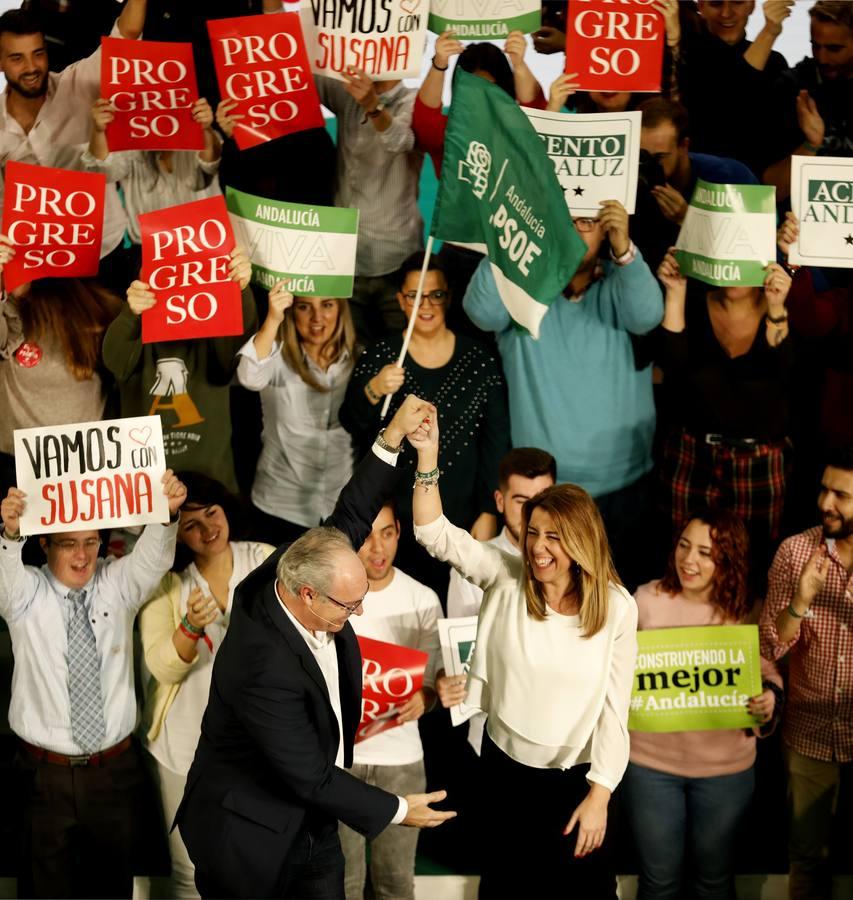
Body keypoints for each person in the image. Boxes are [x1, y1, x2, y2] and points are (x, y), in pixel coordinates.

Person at [175, 395, 456, 900]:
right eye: (348, 606)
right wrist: (398, 809)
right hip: (248, 831)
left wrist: (391, 437)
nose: (359, 615)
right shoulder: (262, 664)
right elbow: (312, 777)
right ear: (308, 594)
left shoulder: (300, 562)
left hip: (314, 820)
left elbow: (352, 510)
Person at [412, 412, 638, 898]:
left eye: (554, 536)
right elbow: (433, 532)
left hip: (577, 781)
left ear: (582, 541)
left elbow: (616, 714)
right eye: (534, 532)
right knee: (507, 889)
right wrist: (428, 457)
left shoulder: (617, 608)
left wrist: (600, 795)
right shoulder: (506, 574)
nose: (537, 547)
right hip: (504, 772)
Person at [0, 471, 187, 899]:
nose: (83, 555)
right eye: (68, 542)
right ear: (43, 545)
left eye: (91, 541)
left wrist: (166, 514)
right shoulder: (25, 592)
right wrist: (10, 534)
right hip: (41, 777)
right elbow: (4, 577)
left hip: (114, 774)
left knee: (112, 889)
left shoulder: (115, 582)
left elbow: (153, 561)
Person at [463, 199, 663, 591]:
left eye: (588, 221)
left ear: (606, 228)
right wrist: (509, 238)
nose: (575, 230)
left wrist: (624, 249)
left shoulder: (620, 286)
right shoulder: (523, 291)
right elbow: (481, 311)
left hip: (624, 492)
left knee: (617, 609)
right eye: (564, 219)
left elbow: (648, 314)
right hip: (546, 494)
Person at [624, 509, 783, 900]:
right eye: (683, 546)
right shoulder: (644, 600)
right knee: (659, 883)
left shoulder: (748, 609)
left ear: (728, 559)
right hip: (650, 767)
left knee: (713, 882)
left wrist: (770, 699)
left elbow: (770, 674)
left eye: (705, 552)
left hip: (725, 771)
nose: (689, 560)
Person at [342, 253, 510, 598]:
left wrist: (488, 510)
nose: (426, 305)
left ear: (447, 297)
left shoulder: (478, 358)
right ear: (401, 300)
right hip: (395, 521)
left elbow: (496, 441)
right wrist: (374, 388)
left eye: (435, 295)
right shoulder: (381, 355)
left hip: (463, 519)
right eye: (415, 296)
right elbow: (351, 423)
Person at [139, 473, 275, 899]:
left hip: (257, 746)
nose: (207, 529)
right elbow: (163, 668)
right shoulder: (169, 585)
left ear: (226, 510)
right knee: (188, 873)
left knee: (255, 865)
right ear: (177, 536)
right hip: (184, 748)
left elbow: (294, 639)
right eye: (190, 525)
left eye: (211, 514)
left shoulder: (265, 560)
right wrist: (189, 628)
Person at [655, 248, 795, 577]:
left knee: (753, 563)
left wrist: (777, 307)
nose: (735, 262)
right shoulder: (694, 301)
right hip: (693, 454)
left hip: (758, 460)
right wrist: (675, 294)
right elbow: (671, 367)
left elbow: (787, 371)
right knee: (682, 560)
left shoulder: (781, 304)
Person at [0, 3, 148, 291]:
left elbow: (127, 36)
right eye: (17, 58)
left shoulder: (78, 84)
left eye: (38, 54)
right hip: (38, 266)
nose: (31, 67)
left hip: (105, 252)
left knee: (119, 334)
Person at [760, 446, 853, 900]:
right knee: (807, 863)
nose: (825, 503)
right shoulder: (796, 552)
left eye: (841, 495)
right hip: (810, 737)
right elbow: (769, 645)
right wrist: (800, 602)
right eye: (823, 489)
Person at [340, 501, 442, 900]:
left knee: (395, 884)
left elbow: (434, 683)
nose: (377, 548)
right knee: (343, 882)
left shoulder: (422, 599)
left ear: (399, 531)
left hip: (401, 763)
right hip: (341, 760)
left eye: (386, 533)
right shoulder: (333, 597)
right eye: (366, 536)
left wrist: (426, 698)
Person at [102, 247, 256, 493]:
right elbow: (114, 360)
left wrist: (239, 290)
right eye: (155, 270)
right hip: (145, 494)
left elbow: (241, 345)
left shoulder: (211, 333)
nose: (168, 279)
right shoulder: (133, 333)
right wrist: (130, 314)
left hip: (212, 490)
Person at [440, 446, 556, 754]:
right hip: (493, 735)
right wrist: (446, 679)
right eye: (522, 501)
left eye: (543, 499)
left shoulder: (579, 563)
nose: (533, 511)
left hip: (559, 738)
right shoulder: (472, 563)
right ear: (500, 501)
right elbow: (461, 653)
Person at [236, 282, 356, 546]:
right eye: (304, 307)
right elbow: (248, 376)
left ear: (340, 308)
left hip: (340, 508)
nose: (317, 317)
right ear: (292, 311)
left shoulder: (358, 360)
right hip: (279, 506)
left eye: (327, 305)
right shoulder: (277, 356)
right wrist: (273, 318)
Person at [0, 237, 120, 499]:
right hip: (15, 468)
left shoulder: (94, 310)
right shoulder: (7, 307)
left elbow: (122, 370)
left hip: (84, 466)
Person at [314, 66, 423, 342]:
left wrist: (372, 107)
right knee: (351, 355)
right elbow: (302, 70)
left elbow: (401, 140)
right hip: (345, 259)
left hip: (396, 259)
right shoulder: (347, 92)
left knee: (401, 355)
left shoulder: (416, 100)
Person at [80, 95, 222, 275]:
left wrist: (206, 129)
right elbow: (103, 171)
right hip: (149, 253)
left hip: (204, 247)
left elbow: (210, 165)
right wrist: (99, 131)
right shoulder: (130, 146)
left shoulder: (198, 136)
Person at [634, 98, 759, 273]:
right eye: (642, 157)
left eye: (659, 158)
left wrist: (687, 219)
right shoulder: (634, 183)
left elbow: (755, 256)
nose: (650, 166)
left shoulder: (729, 177)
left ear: (683, 146)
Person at [677, 0, 793, 177]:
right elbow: (729, 105)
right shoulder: (685, 56)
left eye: (737, 2)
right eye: (716, 4)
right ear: (701, 7)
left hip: (757, 191)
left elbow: (779, 139)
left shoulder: (774, 62)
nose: (726, 13)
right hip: (695, 185)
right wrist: (768, 33)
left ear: (752, 6)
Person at [764, 0, 853, 200]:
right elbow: (771, 191)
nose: (822, 58)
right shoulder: (791, 88)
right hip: (797, 224)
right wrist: (810, 145)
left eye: (834, 49)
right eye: (815, 46)